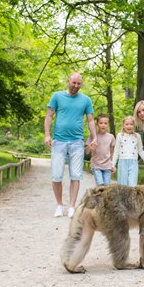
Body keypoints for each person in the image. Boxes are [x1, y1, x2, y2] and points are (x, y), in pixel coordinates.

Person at [44, 72, 97, 218]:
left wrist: (94, 137)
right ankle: (59, 205)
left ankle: (72, 207)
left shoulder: (86, 100)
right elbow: (49, 116)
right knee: (56, 175)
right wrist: (47, 135)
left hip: (77, 142)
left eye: (79, 83)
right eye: (74, 83)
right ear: (68, 81)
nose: (76, 86)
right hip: (59, 142)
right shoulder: (57, 96)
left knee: (76, 175)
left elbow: (91, 120)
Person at [112, 116, 144, 186]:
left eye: (131, 124)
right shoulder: (120, 136)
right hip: (122, 162)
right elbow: (116, 151)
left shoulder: (137, 136)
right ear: (123, 125)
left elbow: (140, 150)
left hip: (133, 162)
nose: (129, 126)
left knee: (132, 184)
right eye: (127, 124)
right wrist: (113, 164)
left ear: (134, 125)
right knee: (122, 184)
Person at [85, 114, 115, 186]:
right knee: (100, 184)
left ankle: (104, 197)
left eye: (105, 123)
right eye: (101, 123)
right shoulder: (93, 136)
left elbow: (111, 152)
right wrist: (90, 146)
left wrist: (113, 165)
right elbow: (86, 152)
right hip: (96, 165)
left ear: (108, 124)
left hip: (107, 166)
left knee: (106, 186)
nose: (103, 125)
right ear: (97, 124)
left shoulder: (111, 137)